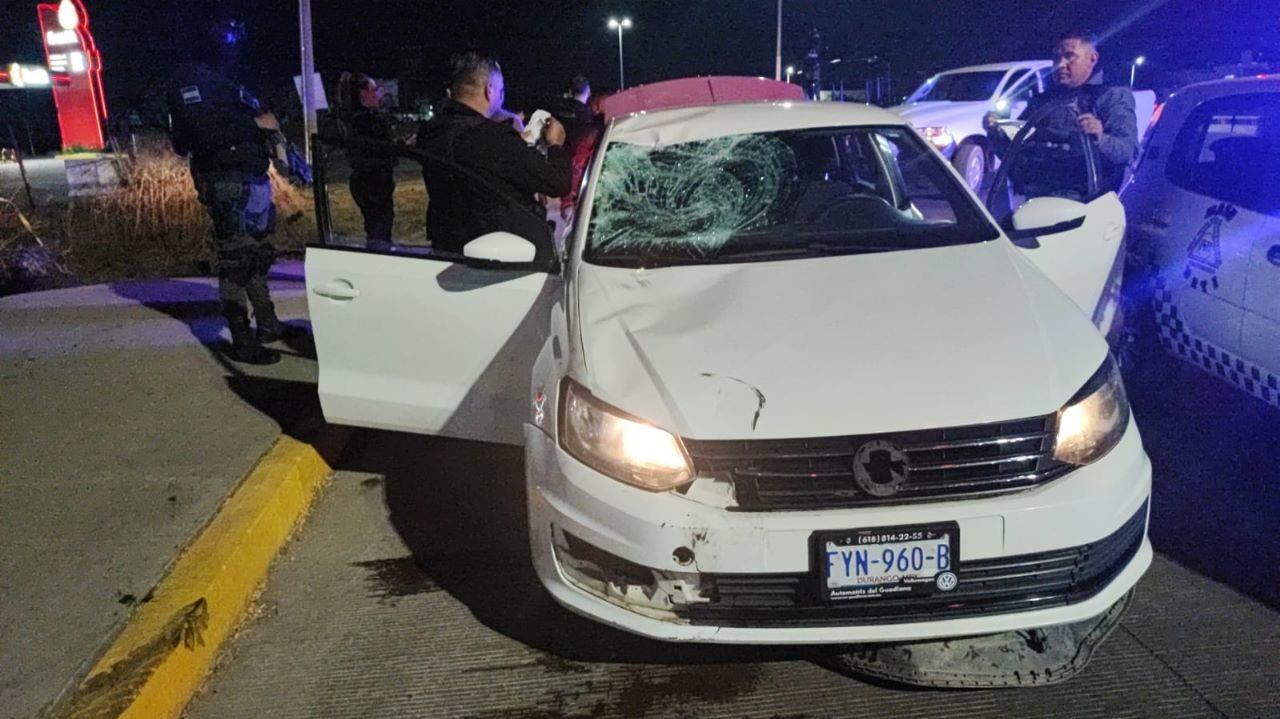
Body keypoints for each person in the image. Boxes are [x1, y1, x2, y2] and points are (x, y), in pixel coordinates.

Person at [167, 21, 283, 365]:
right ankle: (242, 340)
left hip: (251, 177)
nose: (235, 47)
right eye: (229, 40)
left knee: (258, 256)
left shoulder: (224, 79)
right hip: (226, 181)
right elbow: (193, 137)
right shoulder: (189, 80)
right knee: (236, 262)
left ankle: (268, 323)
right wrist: (253, 125)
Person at [416, 52, 571, 261]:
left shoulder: (430, 133)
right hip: (503, 260)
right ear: (489, 90)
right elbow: (557, 183)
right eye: (501, 89)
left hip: (448, 249)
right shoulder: (492, 138)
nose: (501, 95)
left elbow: (488, 174)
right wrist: (555, 145)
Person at [986, 30, 1139, 199]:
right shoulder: (1042, 101)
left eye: (1070, 56)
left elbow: (1128, 151)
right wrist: (996, 132)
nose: (1060, 64)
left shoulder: (1111, 96)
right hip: (1038, 201)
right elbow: (1014, 152)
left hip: (1089, 208)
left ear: (1092, 58)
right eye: (1056, 58)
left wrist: (1101, 137)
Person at [337, 72, 398, 248]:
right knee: (379, 233)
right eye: (374, 89)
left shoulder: (358, 120)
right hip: (374, 184)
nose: (379, 93)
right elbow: (380, 150)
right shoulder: (367, 122)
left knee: (377, 228)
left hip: (369, 183)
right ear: (363, 93)